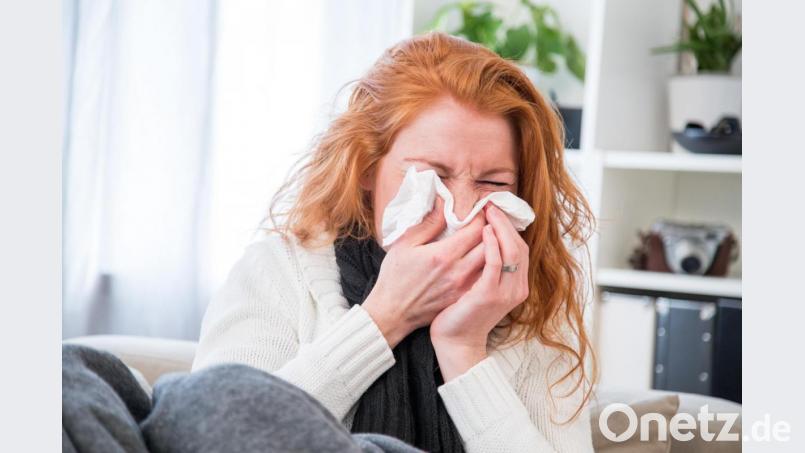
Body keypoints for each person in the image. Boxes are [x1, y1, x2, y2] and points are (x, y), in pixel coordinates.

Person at [192, 31, 596, 452]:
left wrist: (464, 350)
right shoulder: (279, 273)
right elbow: (216, 440)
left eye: (492, 182)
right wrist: (385, 318)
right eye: (432, 176)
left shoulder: (532, 306)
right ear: (365, 166)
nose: (459, 209)